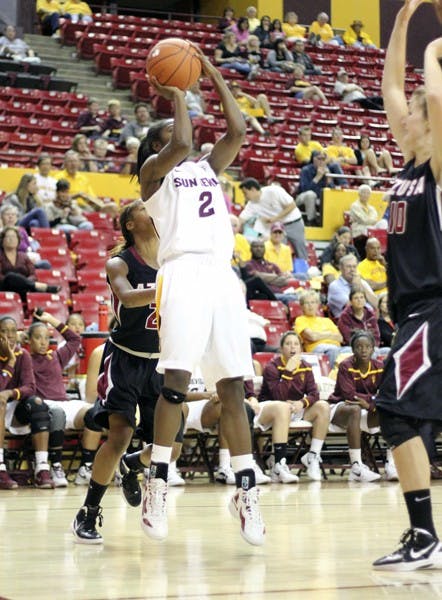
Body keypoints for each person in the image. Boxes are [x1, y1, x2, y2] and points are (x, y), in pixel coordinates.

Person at [135, 49, 265, 546]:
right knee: (176, 379)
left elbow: (237, 131)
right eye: (169, 136)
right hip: (183, 271)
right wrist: (177, 91)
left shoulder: (207, 168)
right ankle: (158, 479)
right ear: (156, 145)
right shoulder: (155, 173)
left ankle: (247, 488)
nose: (182, 142)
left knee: (232, 387)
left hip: (221, 277)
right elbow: (184, 136)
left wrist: (209, 71)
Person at [372, 0, 442, 570]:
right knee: (416, 420)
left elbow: (433, 95)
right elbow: (391, 84)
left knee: (394, 410)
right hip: (414, 311)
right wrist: (402, 20)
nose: (401, 116)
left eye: (411, 113)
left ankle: (423, 535)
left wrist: (433, 49)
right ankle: (423, 534)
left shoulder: (439, 165)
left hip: (434, 308)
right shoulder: (407, 167)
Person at [71, 200, 169, 542]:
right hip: (125, 358)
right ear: (130, 224)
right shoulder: (119, 262)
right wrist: (169, 288)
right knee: (120, 434)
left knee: (173, 443)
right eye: (144, 208)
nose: (154, 210)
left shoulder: (172, 260)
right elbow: (127, 298)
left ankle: (133, 465)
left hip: (160, 361)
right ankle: (89, 512)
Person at [28, 310, 102, 487]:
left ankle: (86, 467)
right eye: (38, 337)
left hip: (65, 402)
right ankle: (55, 464)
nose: (43, 342)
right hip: (43, 405)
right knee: (57, 412)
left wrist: (52, 320)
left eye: (46, 338)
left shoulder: (56, 356)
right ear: (29, 340)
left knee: (94, 413)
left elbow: (75, 339)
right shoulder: (24, 359)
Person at [260, 331, 330, 481]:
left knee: (323, 406)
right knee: (283, 407)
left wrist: (301, 403)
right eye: (288, 344)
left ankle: (313, 456)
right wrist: (288, 371)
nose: (293, 347)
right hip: (271, 410)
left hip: (295, 408)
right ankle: (279, 464)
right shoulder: (272, 367)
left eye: (296, 344)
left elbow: (314, 393)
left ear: (301, 348)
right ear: (281, 348)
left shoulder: (305, 366)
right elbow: (278, 396)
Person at [0, 316, 56, 489]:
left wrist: (10, 392)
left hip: (13, 404)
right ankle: (0, 467)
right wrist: (10, 362)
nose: (9, 335)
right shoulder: (12, 357)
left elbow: (30, 387)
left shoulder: (23, 355)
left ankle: (41, 468)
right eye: (4, 331)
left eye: (12, 331)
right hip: (1, 405)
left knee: (38, 403)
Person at [328, 330, 391, 483]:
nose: (363, 350)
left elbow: (386, 394)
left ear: (373, 349)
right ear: (353, 349)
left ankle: (392, 465)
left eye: (367, 346)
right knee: (355, 409)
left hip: (365, 410)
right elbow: (349, 395)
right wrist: (372, 401)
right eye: (359, 347)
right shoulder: (345, 366)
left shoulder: (379, 366)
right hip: (339, 408)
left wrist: (369, 403)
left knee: (392, 411)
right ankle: (356, 466)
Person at [238, 177, 308, 261]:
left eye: (245, 193)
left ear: (253, 189)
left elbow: (292, 205)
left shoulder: (273, 191)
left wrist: (275, 218)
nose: (245, 196)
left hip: (294, 223)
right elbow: (241, 219)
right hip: (277, 229)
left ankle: (304, 269)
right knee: (278, 251)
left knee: (300, 249)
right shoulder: (251, 205)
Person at [0, 227, 60, 299]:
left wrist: (23, 282)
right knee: (10, 277)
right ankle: (42, 287)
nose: (11, 239)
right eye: (8, 236)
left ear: (18, 240)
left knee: (28, 289)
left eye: (13, 236)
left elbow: (33, 274)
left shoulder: (24, 256)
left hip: (23, 289)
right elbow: (1, 278)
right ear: (2, 240)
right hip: (5, 288)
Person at [56, 150, 118, 217]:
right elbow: (57, 198)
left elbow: (91, 196)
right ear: (65, 163)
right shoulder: (58, 177)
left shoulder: (83, 178)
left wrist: (101, 205)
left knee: (112, 207)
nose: (73, 164)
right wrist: (77, 195)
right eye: (70, 161)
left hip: (86, 206)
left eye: (75, 161)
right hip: (68, 206)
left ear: (79, 163)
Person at [294, 290, 346, 368]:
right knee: (333, 350)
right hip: (316, 349)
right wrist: (329, 334)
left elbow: (340, 338)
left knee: (354, 351)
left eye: (313, 302)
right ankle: (330, 376)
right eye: (307, 303)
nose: (310, 306)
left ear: (317, 305)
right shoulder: (300, 320)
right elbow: (312, 337)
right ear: (302, 306)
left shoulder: (327, 320)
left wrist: (319, 335)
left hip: (337, 348)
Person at [244, 240, 298, 305]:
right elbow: (257, 277)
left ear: (264, 249)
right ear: (251, 249)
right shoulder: (248, 264)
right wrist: (275, 277)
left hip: (280, 293)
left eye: (261, 247)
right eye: (256, 247)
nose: (259, 249)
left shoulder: (272, 265)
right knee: (294, 298)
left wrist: (265, 278)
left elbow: (284, 281)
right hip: (266, 295)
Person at [296, 150, 339, 227]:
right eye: (319, 159)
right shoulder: (306, 170)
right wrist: (318, 177)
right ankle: (311, 221)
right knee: (311, 195)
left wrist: (329, 179)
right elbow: (305, 189)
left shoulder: (327, 171)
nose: (321, 161)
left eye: (323, 159)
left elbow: (331, 191)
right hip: (302, 197)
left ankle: (328, 224)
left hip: (320, 198)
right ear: (313, 159)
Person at [327, 254, 378, 319]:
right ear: (341, 268)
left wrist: (361, 285)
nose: (352, 270)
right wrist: (356, 286)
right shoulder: (334, 286)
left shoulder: (361, 282)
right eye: (349, 267)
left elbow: (376, 304)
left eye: (354, 267)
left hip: (369, 320)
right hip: (348, 322)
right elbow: (354, 307)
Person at [349, 185, 380, 258]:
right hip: (359, 231)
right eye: (364, 193)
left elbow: (375, 219)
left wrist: (370, 220)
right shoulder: (355, 206)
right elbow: (363, 220)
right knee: (368, 228)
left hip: (370, 229)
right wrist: (371, 220)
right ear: (359, 194)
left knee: (383, 223)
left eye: (368, 193)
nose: (366, 195)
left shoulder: (371, 208)